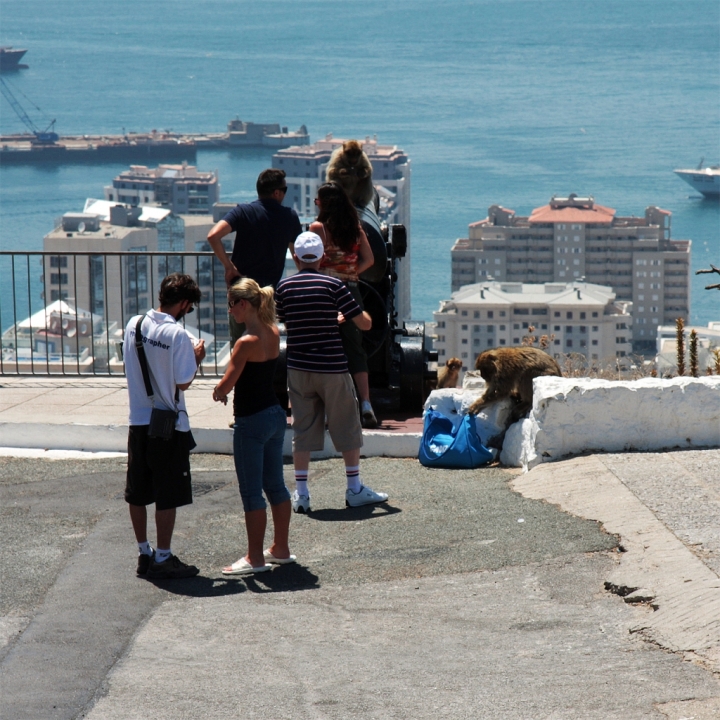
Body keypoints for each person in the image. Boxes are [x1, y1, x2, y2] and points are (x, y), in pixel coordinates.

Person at [275, 231, 389, 513]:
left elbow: (286, 323)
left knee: (302, 430)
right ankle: (354, 489)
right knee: (347, 426)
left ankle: (301, 495)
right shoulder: (333, 285)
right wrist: (356, 315)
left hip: (299, 368)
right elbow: (363, 324)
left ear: (296, 257)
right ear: (323, 256)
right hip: (332, 367)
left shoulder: (284, 288)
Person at [123, 273, 206, 580]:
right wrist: (197, 358)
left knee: (138, 492)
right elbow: (183, 381)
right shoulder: (178, 336)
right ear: (184, 303)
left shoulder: (135, 324)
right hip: (168, 425)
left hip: (138, 420)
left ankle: (144, 552)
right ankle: (163, 555)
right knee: (167, 493)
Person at [211, 278, 294, 575]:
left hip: (252, 420)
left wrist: (218, 391)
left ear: (243, 304)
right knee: (276, 485)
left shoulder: (245, 342)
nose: (230, 310)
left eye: (232, 304)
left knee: (252, 493)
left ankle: (255, 558)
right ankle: (280, 549)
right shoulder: (273, 331)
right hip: (274, 414)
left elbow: (227, 383)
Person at [206, 168, 302, 346]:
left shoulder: (243, 212)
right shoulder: (290, 217)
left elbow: (213, 236)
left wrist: (229, 267)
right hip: (267, 295)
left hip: (240, 292)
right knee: (265, 345)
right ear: (276, 192)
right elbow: (298, 256)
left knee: (240, 344)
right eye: (285, 190)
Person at [309, 182, 378, 428]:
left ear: (324, 204)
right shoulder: (355, 228)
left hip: (325, 291)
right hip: (350, 291)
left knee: (324, 349)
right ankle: (366, 403)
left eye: (318, 202)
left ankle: (326, 409)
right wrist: (350, 273)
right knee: (355, 349)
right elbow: (369, 259)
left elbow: (311, 261)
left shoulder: (318, 229)